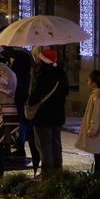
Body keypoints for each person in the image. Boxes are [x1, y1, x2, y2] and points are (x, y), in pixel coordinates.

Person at [26, 46, 68, 174]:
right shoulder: (62, 74)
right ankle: (57, 169)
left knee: (44, 146)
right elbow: (65, 92)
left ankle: (47, 172)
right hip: (58, 115)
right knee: (56, 143)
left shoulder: (42, 75)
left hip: (43, 116)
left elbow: (35, 96)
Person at [2, 46, 38, 171]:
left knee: (19, 121)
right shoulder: (25, 60)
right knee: (21, 122)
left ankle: (19, 146)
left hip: (18, 96)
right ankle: (19, 145)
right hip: (21, 96)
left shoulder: (18, 65)